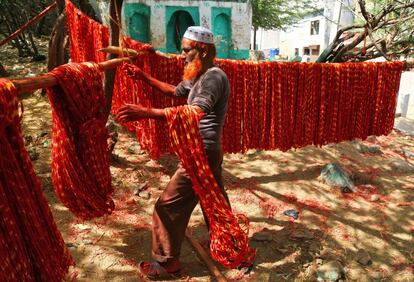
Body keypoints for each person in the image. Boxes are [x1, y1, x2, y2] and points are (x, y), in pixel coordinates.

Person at [116, 26, 231, 280]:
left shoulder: (213, 77)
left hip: (201, 150)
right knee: (214, 200)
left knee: (167, 206)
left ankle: (167, 263)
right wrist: (143, 77)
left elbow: (194, 112)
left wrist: (146, 113)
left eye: (185, 50)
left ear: (202, 50)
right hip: (205, 149)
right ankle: (228, 244)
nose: (181, 56)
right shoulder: (199, 75)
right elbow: (175, 92)